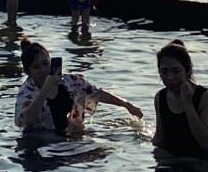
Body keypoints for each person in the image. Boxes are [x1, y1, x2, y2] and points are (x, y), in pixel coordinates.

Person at [15, 37, 143, 136]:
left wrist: (127, 105)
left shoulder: (69, 81)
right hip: (41, 139)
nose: (43, 70)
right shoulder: (26, 92)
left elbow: (96, 93)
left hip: (72, 134)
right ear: (28, 72)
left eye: (45, 64)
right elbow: (26, 120)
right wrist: (45, 91)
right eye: (36, 67)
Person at [151, 39, 208, 159]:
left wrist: (188, 104)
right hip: (171, 161)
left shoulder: (206, 98)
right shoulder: (160, 97)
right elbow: (160, 138)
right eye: (164, 72)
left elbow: (206, 143)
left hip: (201, 163)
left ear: (187, 71)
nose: (170, 77)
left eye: (176, 71)